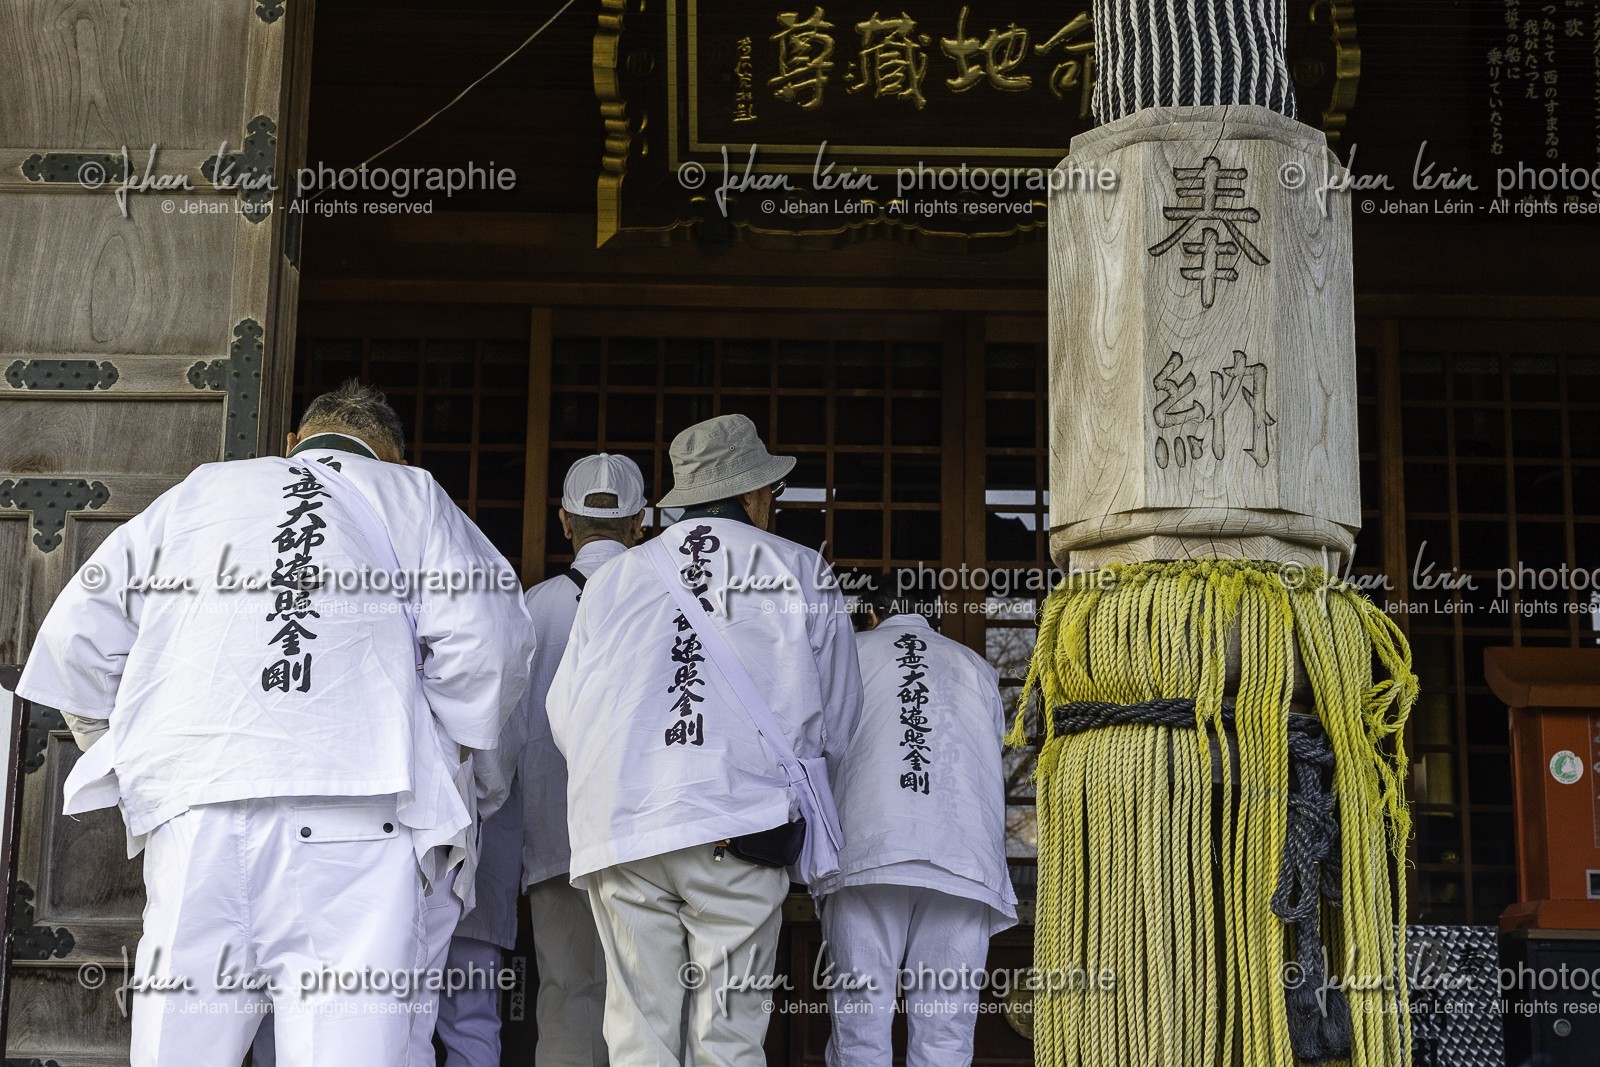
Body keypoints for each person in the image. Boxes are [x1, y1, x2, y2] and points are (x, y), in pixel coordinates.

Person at [17, 381, 536, 1067]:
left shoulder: (199, 494)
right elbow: (489, 650)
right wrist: (435, 752)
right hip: (360, 819)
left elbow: (74, 642)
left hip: (199, 815)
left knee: (179, 1051)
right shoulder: (409, 495)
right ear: (392, 455)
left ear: (293, 442)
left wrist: (138, 759)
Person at [546, 414, 862, 1067]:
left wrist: (631, 775)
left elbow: (564, 714)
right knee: (728, 1038)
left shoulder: (611, 581)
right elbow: (838, 718)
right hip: (739, 828)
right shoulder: (799, 568)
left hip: (625, 830)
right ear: (751, 496)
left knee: (638, 1037)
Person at [435, 453, 647, 1067]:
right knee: (654, 1000)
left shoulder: (533, 606)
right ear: (639, 523)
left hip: (558, 840)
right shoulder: (669, 599)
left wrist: (497, 813)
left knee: (569, 992)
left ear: (563, 521)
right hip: (653, 836)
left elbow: (498, 735)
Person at [813, 576, 1017, 1067]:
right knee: (946, 1026)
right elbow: (991, 751)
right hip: (962, 858)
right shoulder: (975, 665)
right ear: (934, 617)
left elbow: (816, 747)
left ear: (872, 615)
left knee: (861, 1020)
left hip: (868, 850)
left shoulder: (848, 657)